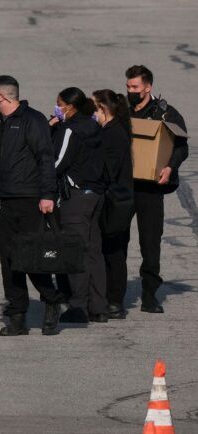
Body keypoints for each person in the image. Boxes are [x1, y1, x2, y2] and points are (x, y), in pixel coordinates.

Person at [0, 75, 62, 336]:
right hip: (5, 199)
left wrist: (48, 194)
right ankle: (17, 316)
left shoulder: (32, 120)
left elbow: (45, 158)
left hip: (29, 199)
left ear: (1, 97)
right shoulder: (1, 122)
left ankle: (51, 300)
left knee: (29, 258)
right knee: (7, 257)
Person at [125, 65, 189, 313]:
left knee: (150, 243)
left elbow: (181, 146)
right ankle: (114, 294)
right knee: (116, 237)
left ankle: (150, 294)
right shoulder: (122, 112)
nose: (131, 91)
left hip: (150, 189)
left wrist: (170, 167)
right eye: (128, 86)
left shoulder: (165, 113)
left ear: (148, 87)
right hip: (124, 187)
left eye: (135, 87)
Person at [51, 87, 107, 323]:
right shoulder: (93, 126)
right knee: (94, 251)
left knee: (76, 250)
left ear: (70, 107)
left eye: (59, 103)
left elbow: (57, 163)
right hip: (96, 193)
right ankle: (98, 307)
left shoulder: (70, 129)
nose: (57, 107)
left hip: (76, 196)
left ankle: (78, 306)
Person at [92, 89, 133, 319]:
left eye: (94, 107)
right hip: (115, 198)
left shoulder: (113, 133)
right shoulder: (110, 130)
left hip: (116, 200)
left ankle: (115, 300)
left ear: (103, 109)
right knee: (109, 250)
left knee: (114, 251)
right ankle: (109, 296)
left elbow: (109, 168)